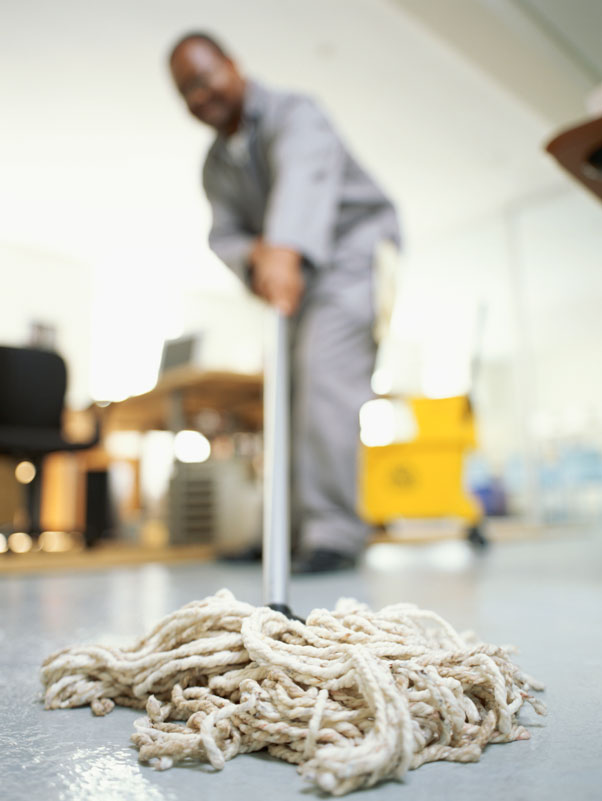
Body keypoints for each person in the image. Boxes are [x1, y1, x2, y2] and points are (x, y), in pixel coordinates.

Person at [169, 32, 401, 572]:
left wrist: (284, 249)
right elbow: (223, 235)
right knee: (284, 395)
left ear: (234, 65)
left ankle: (334, 533)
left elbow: (303, 182)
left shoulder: (296, 114)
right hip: (290, 270)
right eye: (186, 92)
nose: (200, 97)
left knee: (323, 380)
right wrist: (258, 256)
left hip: (351, 257)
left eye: (204, 79)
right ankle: (285, 531)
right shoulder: (214, 166)